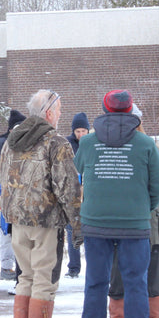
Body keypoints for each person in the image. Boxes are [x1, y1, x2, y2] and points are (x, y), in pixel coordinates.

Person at [76, 90, 159, 318]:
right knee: (135, 282)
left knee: (95, 282)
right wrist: (141, 208)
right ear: (131, 112)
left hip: (95, 222)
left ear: (103, 110)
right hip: (134, 225)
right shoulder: (145, 144)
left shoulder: (89, 142)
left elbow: (80, 168)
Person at [0, 89, 81, 318]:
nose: (60, 115)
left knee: (26, 276)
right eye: (58, 110)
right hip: (45, 220)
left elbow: (3, 180)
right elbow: (67, 187)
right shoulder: (55, 142)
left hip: (18, 220)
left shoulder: (13, 138)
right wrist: (77, 223)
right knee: (45, 277)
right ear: (48, 113)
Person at [105, 103, 159, 318]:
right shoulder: (109, 148)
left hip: (150, 219)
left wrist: (147, 209)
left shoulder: (151, 148)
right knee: (118, 270)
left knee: (153, 272)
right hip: (119, 219)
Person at [0, 109, 26, 282]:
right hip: (6, 201)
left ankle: (22, 274)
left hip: (26, 204)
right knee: (8, 236)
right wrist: (2, 188)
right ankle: (8, 268)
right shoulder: (2, 148)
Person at [64, 111, 90, 278]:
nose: (80, 134)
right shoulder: (67, 144)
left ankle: (92, 265)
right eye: (77, 131)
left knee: (89, 231)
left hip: (89, 193)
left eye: (83, 131)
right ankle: (73, 267)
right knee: (71, 230)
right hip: (72, 193)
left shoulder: (92, 144)